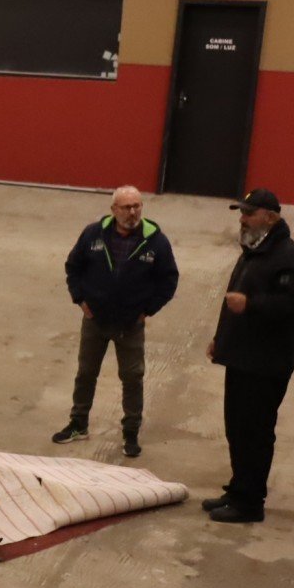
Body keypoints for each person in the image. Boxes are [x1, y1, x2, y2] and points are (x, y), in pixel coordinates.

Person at [203, 189, 294, 524]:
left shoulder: (289, 259)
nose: (242, 218)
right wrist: (221, 340)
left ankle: (250, 503)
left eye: (249, 213)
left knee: (255, 431)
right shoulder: (256, 251)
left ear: (271, 217)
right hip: (242, 358)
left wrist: (251, 305)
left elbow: (290, 307)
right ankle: (239, 489)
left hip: (265, 364)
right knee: (237, 427)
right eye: (242, 212)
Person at [52, 185, 179, 458]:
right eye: (126, 207)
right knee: (86, 372)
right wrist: (80, 299)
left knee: (132, 378)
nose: (132, 212)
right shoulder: (93, 235)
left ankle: (131, 432)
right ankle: (78, 423)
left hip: (130, 325)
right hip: (95, 321)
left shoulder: (156, 242)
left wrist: (148, 310)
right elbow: (73, 266)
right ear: (114, 210)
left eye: (137, 206)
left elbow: (169, 280)